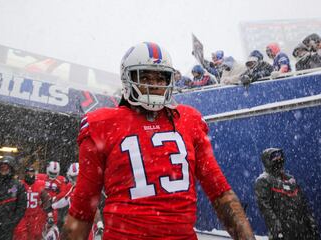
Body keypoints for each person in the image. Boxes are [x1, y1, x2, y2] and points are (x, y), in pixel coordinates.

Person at [63, 42, 256, 240]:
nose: (153, 84)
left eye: (160, 78)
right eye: (145, 77)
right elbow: (83, 208)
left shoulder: (189, 120)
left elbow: (221, 193)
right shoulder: (102, 124)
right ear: (127, 78)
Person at [254, 148, 320, 240]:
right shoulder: (264, 181)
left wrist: (312, 225)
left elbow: (304, 206)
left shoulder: (291, 180)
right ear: (267, 160)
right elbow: (265, 208)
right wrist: (277, 229)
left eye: (279, 156)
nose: (278, 159)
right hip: (284, 233)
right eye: (274, 157)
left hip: (303, 232)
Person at [14, 167, 52, 240]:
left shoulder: (40, 184)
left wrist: (50, 215)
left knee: (35, 235)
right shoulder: (19, 184)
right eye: (28, 172)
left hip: (35, 216)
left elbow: (46, 200)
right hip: (22, 215)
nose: (30, 174)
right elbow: (10, 193)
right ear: (25, 173)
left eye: (32, 172)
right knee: (20, 235)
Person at [37, 161, 68, 227]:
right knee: (38, 225)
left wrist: (55, 197)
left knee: (52, 224)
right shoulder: (40, 177)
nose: (53, 175)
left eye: (55, 173)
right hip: (40, 205)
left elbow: (64, 192)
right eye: (51, 173)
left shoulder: (61, 179)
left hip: (52, 206)